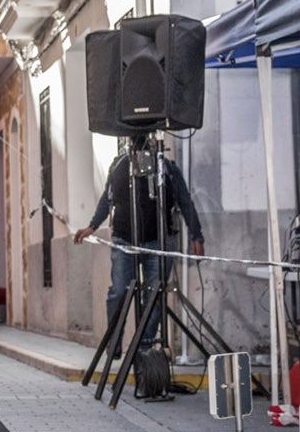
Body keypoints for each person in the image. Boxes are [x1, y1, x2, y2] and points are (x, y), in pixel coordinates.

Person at [73, 142, 204, 343]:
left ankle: (143, 347)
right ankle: (114, 340)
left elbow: (185, 201)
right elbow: (107, 200)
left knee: (154, 296)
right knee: (118, 291)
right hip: (125, 242)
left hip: (159, 242)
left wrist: (196, 235)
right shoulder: (119, 165)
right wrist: (92, 226)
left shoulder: (166, 167)